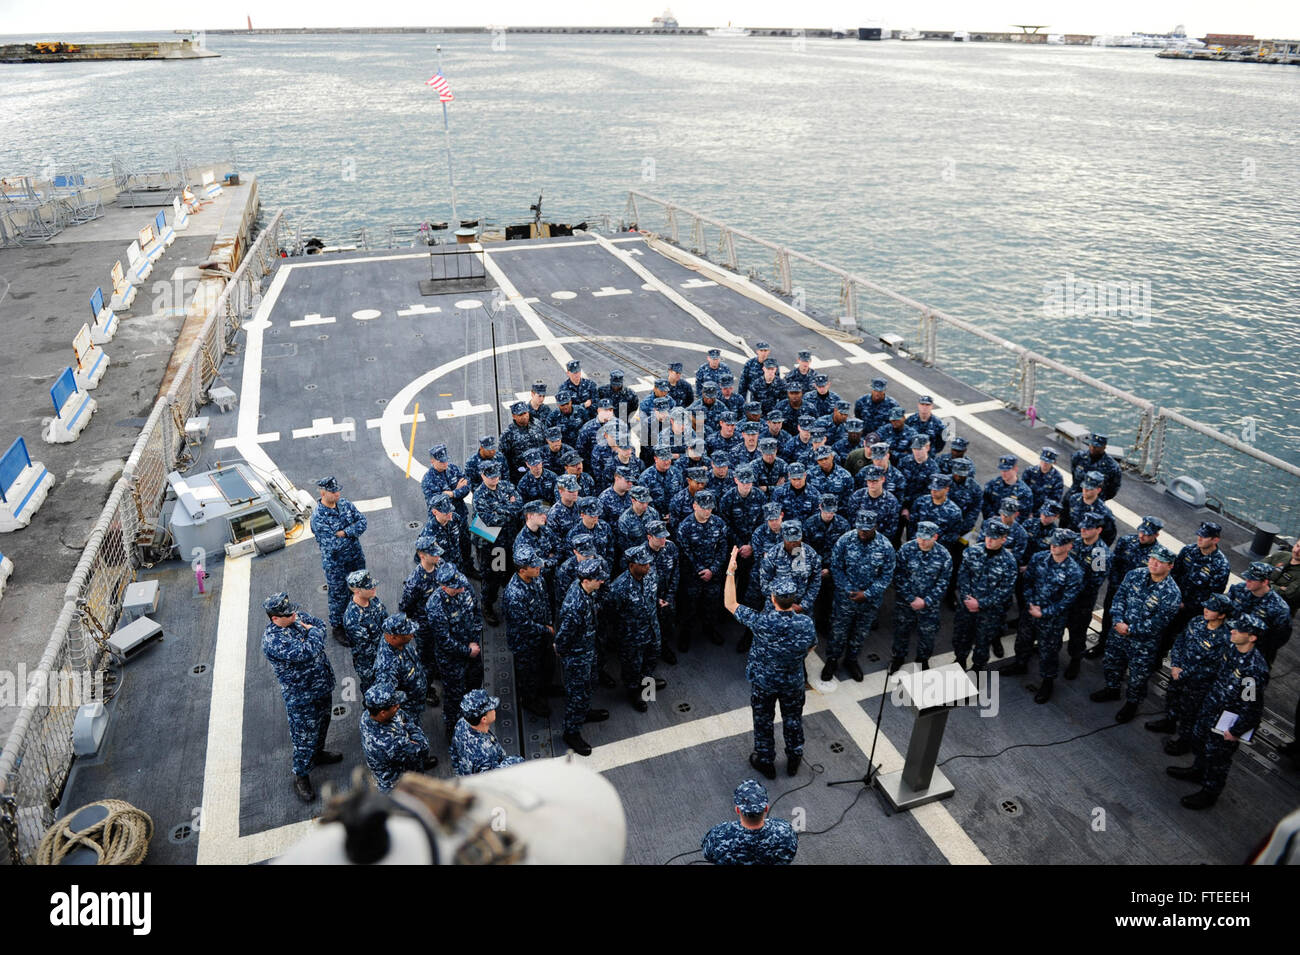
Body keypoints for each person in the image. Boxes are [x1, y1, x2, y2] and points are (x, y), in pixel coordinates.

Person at [724, 549, 818, 779]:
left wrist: (730, 571)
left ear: (773, 599)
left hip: (764, 682)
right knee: (793, 720)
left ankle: (766, 760)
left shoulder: (761, 621)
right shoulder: (805, 623)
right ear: (793, 600)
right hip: (792, 681)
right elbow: (811, 647)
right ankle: (794, 757)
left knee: (763, 720)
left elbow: (730, 603)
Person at [1166, 615, 1269, 809]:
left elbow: (1252, 706)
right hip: (1210, 707)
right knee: (1200, 742)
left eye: (1238, 630)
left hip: (1228, 720)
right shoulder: (1231, 648)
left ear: (1252, 637)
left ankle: (1209, 792)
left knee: (1217, 759)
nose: (1232, 631)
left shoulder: (1254, 668)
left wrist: (1237, 730)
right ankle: (1198, 770)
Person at [260, 592, 341, 803]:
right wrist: (312, 633)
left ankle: (319, 753)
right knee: (304, 737)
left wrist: (313, 632)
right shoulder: (273, 641)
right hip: (301, 696)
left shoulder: (295, 617)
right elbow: (308, 650)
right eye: (287, 614)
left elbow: (321, 625)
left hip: (321, 684)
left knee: (324, 722)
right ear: (275, 618)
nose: (294, 614)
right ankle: (301, 774)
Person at [1090, 544, 1181, 722]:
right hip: (1118, 631)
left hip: (1143, 643)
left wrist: (1129, 629)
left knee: (1138, 676)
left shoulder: (1172, 593)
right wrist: (1117, 620)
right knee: (1112, 662)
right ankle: (1112, 689)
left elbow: (1158, 623)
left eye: (1160, 561)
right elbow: (1119, 597)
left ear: (1170, 566)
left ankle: (1132, 703)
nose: (1154, 564)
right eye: (1152, 559)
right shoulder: (1135, 574)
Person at [1146, 592, 1233, 754]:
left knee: (1189, 712)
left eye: (1211, 609)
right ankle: (1169, 721)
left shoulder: (1226, 638)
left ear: (1221, 615)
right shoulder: (1197, 621)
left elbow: (1213, 666)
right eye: (1206, 606)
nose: (1206, 609)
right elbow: (1180, 641)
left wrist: (1183, 672)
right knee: (1172, 697)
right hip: (1178, 673)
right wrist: (1175, 665)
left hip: (1198, 683)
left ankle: (1184, 741)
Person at [1003, 529, 1083, 703]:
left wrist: (1043, 612)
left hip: (1052, 620)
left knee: (1048, 651)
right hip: (1031, 611)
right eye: (1053, 542)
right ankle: (1020, 664)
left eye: (1059, 544)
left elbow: (1067, 601)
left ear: (1069, 546)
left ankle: (1048, 682)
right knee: (1023, 640)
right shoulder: (1039, 557)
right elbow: (1028, 581)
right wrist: (1030, 603)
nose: (1053, 546)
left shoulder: (1074, 572)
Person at [825, 511, 895, 681]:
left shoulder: (885, 547)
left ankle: (851, 660)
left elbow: (887, 576)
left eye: (867, 530)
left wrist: (867, 593)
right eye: (860, 529)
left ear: (875, 527)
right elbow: (836, 567)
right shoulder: (845, 540)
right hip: (845, 598)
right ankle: (832, 660)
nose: (862, 533)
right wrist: (849, 589)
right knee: (838, 631)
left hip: (870, 601)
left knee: (860, 632)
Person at [555, 558, 611, 756]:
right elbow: (562, 638)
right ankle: (571, 732)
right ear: (586, 580)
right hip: (577, 657)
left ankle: (584, 712)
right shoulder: (575, 606)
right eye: (598, 579)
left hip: (588, 650)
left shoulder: (586, 591)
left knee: (588, 686)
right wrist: (564, 652)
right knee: (576, 694)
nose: (601, 582)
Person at [607, 544, 668, 712]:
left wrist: (657, 602)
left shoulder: (651, 575)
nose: (648, 566)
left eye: (648, 563)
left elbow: (651, 596)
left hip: (652, 630)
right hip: (631, 637)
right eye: (643, 564)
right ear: (631, 565)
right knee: (632, 667)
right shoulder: (619, 588)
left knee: (651, 660)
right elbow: (611, 614)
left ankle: (647, 687)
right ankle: (633, 693)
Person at [952, 520, 1018, 672]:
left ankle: (977, 667)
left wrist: (980, 603)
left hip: (989, 612)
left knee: (983, 641)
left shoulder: (1009, 562)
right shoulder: (972, 551)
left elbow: (1005, 591)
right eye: (988, 536)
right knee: (961, 637)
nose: (989, 540)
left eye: (994, 538)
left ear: (1003, 539)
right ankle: (960, 661)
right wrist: (968, 599)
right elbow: (963, 576)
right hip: (967, 607)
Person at [309, 476, 368, 644]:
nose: (337, 493)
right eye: (333, 491)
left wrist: (345, 532)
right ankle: (338, 627)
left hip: (356, 558)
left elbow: (362, 522)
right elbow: (333, 545)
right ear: (322, 492)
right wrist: (351, 533)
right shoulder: (318, 518)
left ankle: (359, 615)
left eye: (337, 490)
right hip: (336, 563)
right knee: (339, 595)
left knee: (359, 587)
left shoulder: (345, 504)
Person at [427, 564, 485, 736]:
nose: (461, 588)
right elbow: (444, 641)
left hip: (472, 649)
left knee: (475, 685)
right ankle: (454, 732)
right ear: (443, 587)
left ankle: (475, 720)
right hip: (452, 660)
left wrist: (475, 637)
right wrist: (467, 650)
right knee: (454, 697)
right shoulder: (435, 606)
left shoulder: (464, 586)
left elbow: (476, 611)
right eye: (455, 587)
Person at [890, 521, 952, 673]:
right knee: (901, 631)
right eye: (919, 537)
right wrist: (911, 598)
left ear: (935, 537)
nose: (922, 542)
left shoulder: (944, 556)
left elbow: (943, 583)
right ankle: (898, 658)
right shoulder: (906, 549)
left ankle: (922, 660)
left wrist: (926, 601)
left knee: (927, 634)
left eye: (926, 539)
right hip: (906, 603)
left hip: (929, 605)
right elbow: (898, 576)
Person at [502, 551, 555, 717]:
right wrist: (546, 630)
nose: (539, 567)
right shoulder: (514, 594)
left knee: (546, 664)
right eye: (534, 566)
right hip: (525, 642)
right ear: (522, 570)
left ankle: (545, 688)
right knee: (528, 673)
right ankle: (529, 700)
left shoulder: (537, 577)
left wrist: (548, 623)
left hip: (542, 633)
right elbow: (523, 625)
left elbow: (545, 599)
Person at [675, 489, 730, 650]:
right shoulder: (685, 527)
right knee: (689, 607)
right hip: (692, 575)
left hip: (713, 574)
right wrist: (701, 569)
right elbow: (685, 553)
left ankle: (709, 629)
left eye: (710, 508)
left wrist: (712, 569)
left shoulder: (719, 524)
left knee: (711, 604)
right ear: (694, 506)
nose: (707, 511)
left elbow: (722, 548)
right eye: (703, 507)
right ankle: (685, 634)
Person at [701, 779, 797, 866]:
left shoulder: (719, 836)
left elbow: (707, 854)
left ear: (737, 809)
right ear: (766, 808)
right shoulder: (785, 831)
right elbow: (790, 854)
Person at [361, 684, 432, 793]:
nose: (398, 706)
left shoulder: (368, 715)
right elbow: (423, 746)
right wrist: (409, 727)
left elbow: (403, 716)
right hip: (399, 783)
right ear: (383, 713)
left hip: (401, 760)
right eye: (394, 706)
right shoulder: (389, 743)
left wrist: (406, 728)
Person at [1226, 561, 1292, 665]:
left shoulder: (1279, 608)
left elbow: (1279, 638)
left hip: (1253, 653)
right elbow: (1226, 610)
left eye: (1252, 579)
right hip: (1229, 640)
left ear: (1265, 582)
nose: (1247, 581)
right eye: (1247, 577)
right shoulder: (1239, 589)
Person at [450, 689, 525, 776]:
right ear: (484, 719)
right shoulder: (486, 753)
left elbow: (454, 752)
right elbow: (493, 777)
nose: (494, 710)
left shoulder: (462, 722)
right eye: (491, 709)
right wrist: (515, 761)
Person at [421, 443, 472, 569]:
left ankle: (468, 565)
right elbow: (435, 501)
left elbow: (467, 486)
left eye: (445, 460)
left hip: (459, 514)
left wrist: (452, 493)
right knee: (445, 548)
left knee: (465, 541)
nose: (445, 464)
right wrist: (456, 491)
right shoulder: (428, 479)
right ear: (432, 461)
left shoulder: (453, 469)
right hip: (442, 521)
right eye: (441, 462)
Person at [372, 612, 428, 725]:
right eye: (408, 633)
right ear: (394, 637)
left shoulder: (400, 642)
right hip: (408, 708)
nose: (412, 635)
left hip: (416, 698)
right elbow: (390, 698)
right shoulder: (387, 667)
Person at [341, 569, 386, 693]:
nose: (373, 588)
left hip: (385, 650)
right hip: (370, 663)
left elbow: (385, 621)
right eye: (369, 587)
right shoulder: (353, 619)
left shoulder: (374, 600)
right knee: (373, 691)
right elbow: (366, 649)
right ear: (357, 591)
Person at [1070, 432, 1121, 500]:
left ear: (1104, 447)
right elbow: (1073, 472)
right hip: (1074, 495)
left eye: (1097, 446)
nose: (1093, 448)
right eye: (1092, 444)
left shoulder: (1112, 466)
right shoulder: (1079, 456)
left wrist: (1100, 499)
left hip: (1094, 502)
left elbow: (1113, 488)